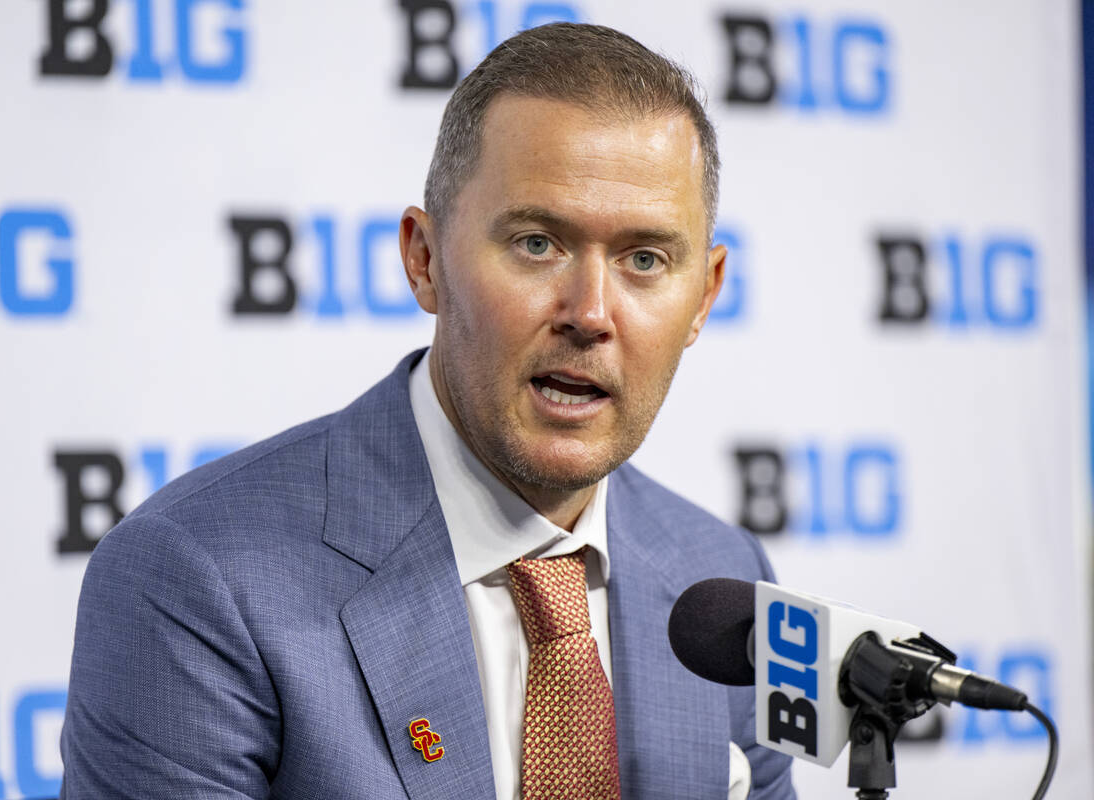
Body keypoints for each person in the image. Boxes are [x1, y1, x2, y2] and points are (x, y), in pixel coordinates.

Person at [60, 22, 795, 800]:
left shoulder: (723, 582)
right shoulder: (197, 579)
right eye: (538, 243)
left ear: (704, 297)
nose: (590, 312)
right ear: (424, 259)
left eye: (645, 259)